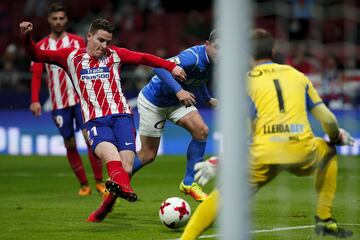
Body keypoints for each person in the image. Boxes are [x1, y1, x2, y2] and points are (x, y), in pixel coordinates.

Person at [180, 28, 354, 239]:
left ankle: (187, 238)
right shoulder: (297, 75)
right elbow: (327, 118)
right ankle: (324, 219)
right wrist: (336, 137)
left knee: (223, 196)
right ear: (272, 50)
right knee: (328, 152)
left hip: (264, 153)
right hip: (302, 149)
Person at [20, 18, 186, 222]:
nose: (104, 46)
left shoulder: (115, 54)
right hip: (95, 120)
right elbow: (36, 54)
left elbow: (144, 57)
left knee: (126, 167)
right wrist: (26, 37)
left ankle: (106, 205)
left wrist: (170, 67)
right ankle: (123, 191)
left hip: (122, 117)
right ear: (88, 36)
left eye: (108, 41)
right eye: (100, 40)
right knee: (111, 159)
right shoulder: (70, 56)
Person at [132, 30, 219, 202]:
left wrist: (207, 99)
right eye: (218, 47)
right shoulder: (191, 57)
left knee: (201, 131)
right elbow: (158, 66)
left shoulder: (215, 61)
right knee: (148, 155)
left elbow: (198, 78)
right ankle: (118, 181)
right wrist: (179, 91)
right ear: (207, 44)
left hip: (176, 102)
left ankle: (189, 182)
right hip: (153, 102)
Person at [29, 2, 105, 197]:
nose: (58, 22)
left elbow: (90, 67)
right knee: (69, 143)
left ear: (67, 20)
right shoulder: (41, 47)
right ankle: (84, 185)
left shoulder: (78, 42)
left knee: (91, 140)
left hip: (81, 101)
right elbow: (37, 74)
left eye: (61, 18)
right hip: (58, 104)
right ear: (48, 20)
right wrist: (35, 100)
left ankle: (99, 182)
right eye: (55, 18)